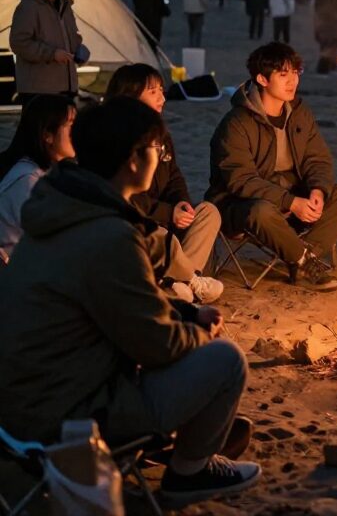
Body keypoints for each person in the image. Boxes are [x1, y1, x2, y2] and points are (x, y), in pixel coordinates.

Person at [0, 98, 261, 506]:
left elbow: (112, 304)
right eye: (155, 149)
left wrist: (186, 313)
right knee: (225, 361)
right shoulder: (108, 237)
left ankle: (179, 436)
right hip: (62, 417)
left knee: (184, 333)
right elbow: (156, 345)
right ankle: (187, 474)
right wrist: (198, 330)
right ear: (134, 161)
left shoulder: (61, 206)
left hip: (17, 401)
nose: (160, 156)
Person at [207, 42, 337, 291]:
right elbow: (241, 181)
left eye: (295, 73)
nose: (292, 81)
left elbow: (317, 159)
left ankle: (301, 255)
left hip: (291, 197)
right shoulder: (236, 124)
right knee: (261, 211)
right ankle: (305, 260)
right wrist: (290, 202)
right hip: (239, 205)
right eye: (283, 74)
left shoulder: (299, 113)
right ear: (262, 79)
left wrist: (317, 191)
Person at [106, 64, 223, 303]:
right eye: (153, 91)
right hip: (138, 224)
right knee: (157, 233)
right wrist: (168, 213)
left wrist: (181, 204)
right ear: (131, 95)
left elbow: (174, 176)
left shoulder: (160, 133)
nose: (162, 97)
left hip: (167, 220)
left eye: (162, 89)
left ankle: (177, 283)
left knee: (208, 212)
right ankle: (188, 280)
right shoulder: (117, 138)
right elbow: (124, 196)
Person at [0, 95, 76, 254]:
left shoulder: (41, 173)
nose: (76, 132)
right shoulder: (28, 181)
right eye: (70, 125)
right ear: (47, 134)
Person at [9, 0, 89, 103]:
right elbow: (19, 43)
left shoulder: (65, 6)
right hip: (39, 87)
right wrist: (51, 54)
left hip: (66, 85)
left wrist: (78, 49)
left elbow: (71, 36)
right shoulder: (30, 6)